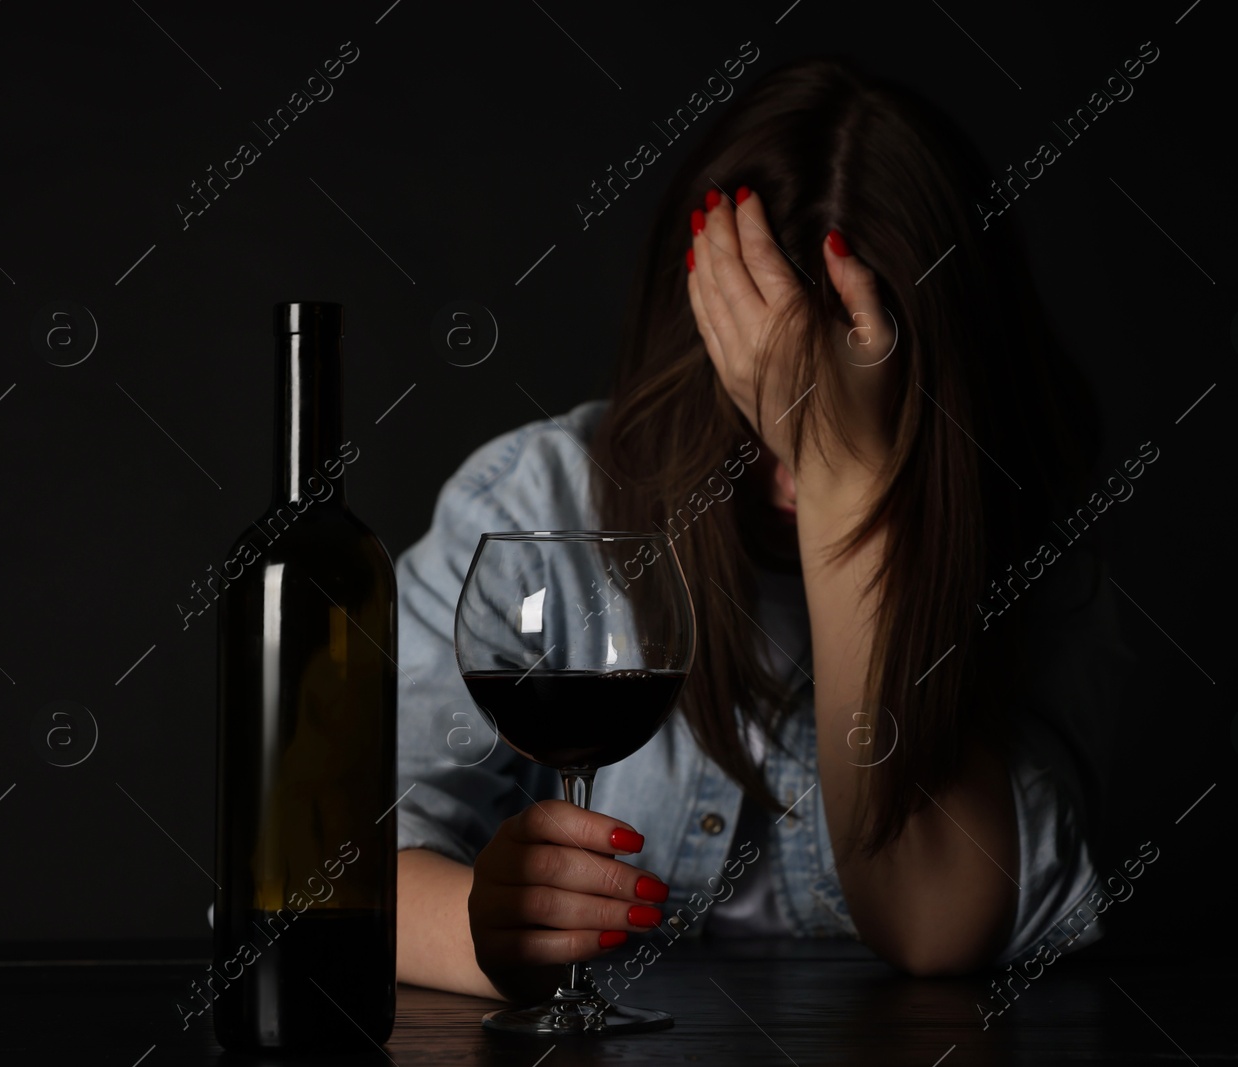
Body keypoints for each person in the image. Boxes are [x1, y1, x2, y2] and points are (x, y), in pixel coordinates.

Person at [394, 56, 1133, 1003]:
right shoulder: (533, 507)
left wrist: (852, 495)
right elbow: (340, 869)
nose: (795, 461)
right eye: (769, 390)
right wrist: (485, 929)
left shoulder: (1029, 544)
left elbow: (938, 921)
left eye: (855, 404)